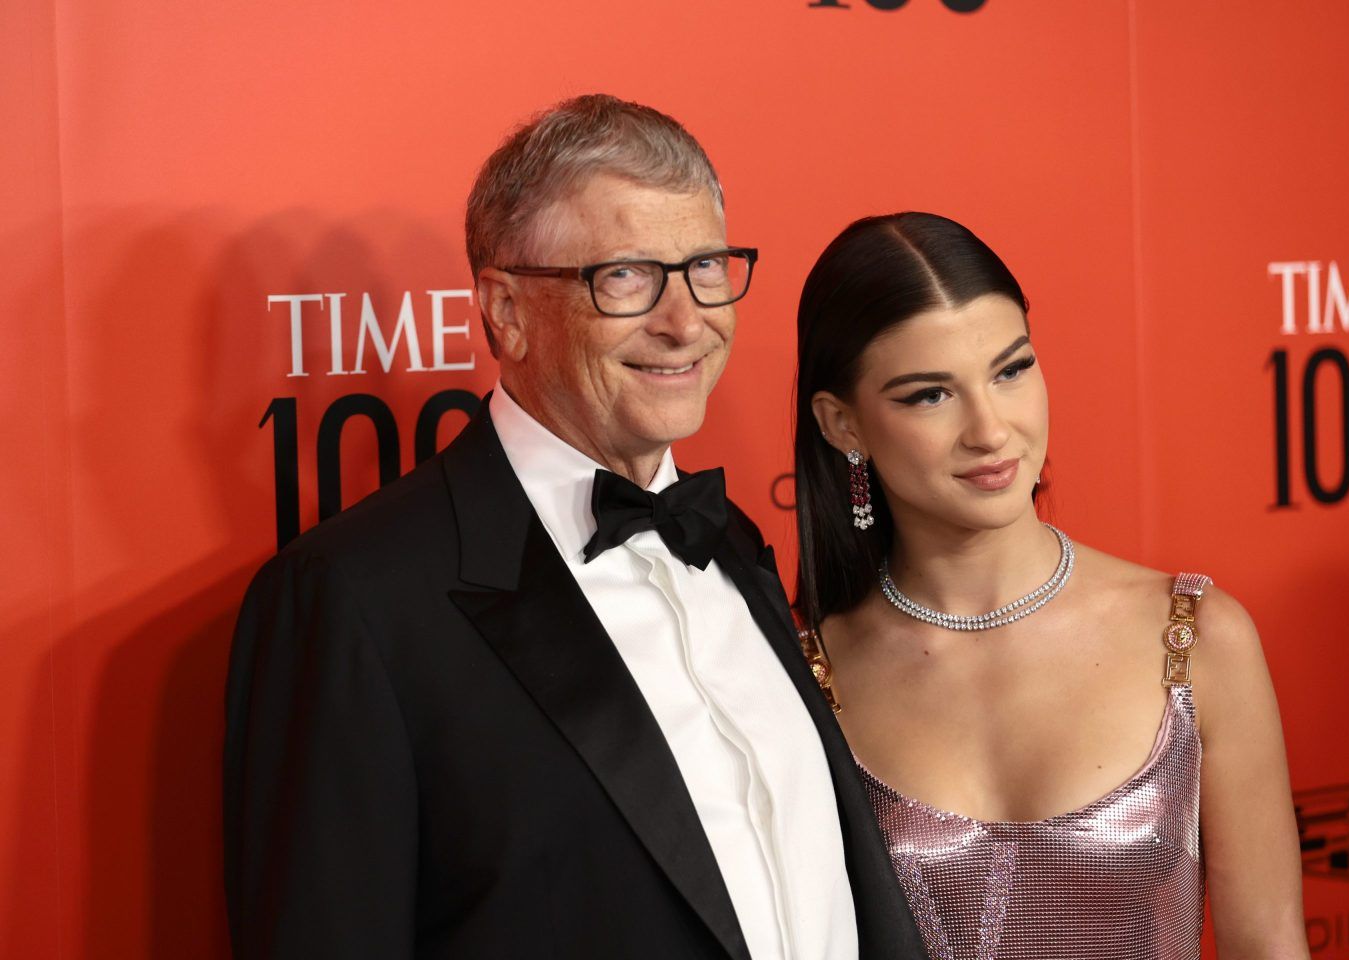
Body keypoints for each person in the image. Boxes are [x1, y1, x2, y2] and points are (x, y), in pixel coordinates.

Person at [224, 96, 926, 959]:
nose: (685, 321)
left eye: (705, 265)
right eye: (625, 276)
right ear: (507, 311)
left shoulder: (734, 542)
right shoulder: (354, 602)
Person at [791, 212, 1308, 959]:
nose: (992, 429)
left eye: (1011, 369)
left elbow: (1269, 943)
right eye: (930, 395)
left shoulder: (1195, 635)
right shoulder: (809, 674)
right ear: (843, 425)